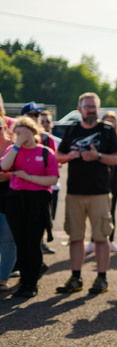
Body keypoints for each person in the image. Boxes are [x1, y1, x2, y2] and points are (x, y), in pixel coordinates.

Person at [55, 92, 117, 295]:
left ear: (98, 108)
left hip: (100, 192)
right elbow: (58, 155)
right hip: (74, 192)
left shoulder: (107, 130)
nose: (91, 110)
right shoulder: (71, 129)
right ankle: (75, 277)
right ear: (79, 109)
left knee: (101, 237)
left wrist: (98, 156)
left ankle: (101, 279)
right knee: (76, 237)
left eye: (94, 106)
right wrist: (70, 155)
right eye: (87, 106)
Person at [1, 116, 59, 298]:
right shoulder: (13, 150)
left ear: (33, 132)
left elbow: (52, 179)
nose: (19, 136)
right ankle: (23, 282)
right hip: (16, 200)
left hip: (37, 201)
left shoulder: (45, 152)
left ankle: (31, 283)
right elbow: (4, 166)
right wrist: (17, 144)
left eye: (23, 132)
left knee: (33, 243)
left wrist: (28, 177)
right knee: (20, 243)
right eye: (16, 132)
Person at [99, 110, 117, 253]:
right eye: (107, 120)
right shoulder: (97, 139)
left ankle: (111, 240)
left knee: (111, 210)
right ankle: (94, 240)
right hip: (99, 180)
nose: (109, 123)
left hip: (113, 180)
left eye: (112, 121)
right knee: (96, 211)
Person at [37, 110, 61, 254]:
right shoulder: (34, 139)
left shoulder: (56, 141)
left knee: (49, 217)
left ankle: (42, 242)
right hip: (39, 187)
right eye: (42, 121)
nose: (45, 124)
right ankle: (37, 244)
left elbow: (61, 161)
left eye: (48, 121)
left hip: (54, 186)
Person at [0, 95, 16, 292]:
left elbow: (25, 171)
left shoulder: (13, 146)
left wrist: (9, 175)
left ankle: (3, 278)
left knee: (7, 238)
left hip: (9, 197)